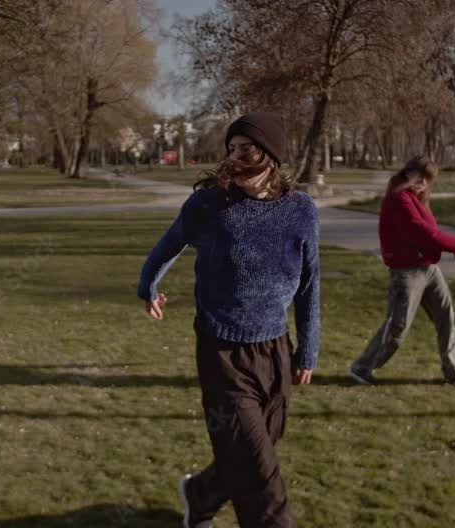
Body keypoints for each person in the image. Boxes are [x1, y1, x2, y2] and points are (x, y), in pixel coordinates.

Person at [137, 112, 320, 528]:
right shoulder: (209, 205)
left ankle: (200, 494)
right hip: (222, 351)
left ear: (269, 155)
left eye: (244, 149)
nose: (233, 157)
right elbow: (169, 244)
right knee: (259, 471)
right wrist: (148, 285)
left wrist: (308, 348)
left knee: (255, 450)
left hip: (274, 349)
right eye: (231, 148)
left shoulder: (301, 211)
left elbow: (310, 284)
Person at [348, 156, 455, 387]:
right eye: (421, 176)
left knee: (447, 317)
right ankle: (361, 368)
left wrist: (444, 246)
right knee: (398, 326)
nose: (424, 182)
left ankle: (453, 372)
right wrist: (454, 244)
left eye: (428, 179)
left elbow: (428, 231)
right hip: (407, 272)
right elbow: (420, 230)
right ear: (408, 172)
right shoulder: (398, 199)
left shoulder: (415, 198)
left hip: (429, 267)